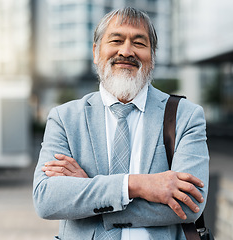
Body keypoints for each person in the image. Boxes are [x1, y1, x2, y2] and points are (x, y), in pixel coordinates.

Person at [33, 7, 209, 240]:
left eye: (139, 43)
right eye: (116, 40)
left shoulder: (186, 116)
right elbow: (47, 200)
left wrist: (89, 193)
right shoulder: (65, 118)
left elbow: (189, 205)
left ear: (152, 57)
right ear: (96, 52)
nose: (126, 51)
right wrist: (137, 185)